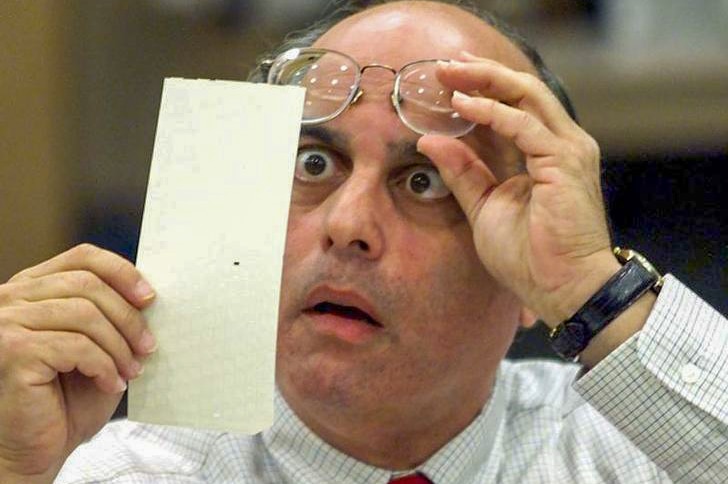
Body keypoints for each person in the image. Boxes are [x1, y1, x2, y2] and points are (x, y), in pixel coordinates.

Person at [0, 1, 725, 483]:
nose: (348, 224)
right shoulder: (115, 472)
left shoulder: (639, 452)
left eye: (425, 181)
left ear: (529, 284)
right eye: (314, 165)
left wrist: (595, 293)